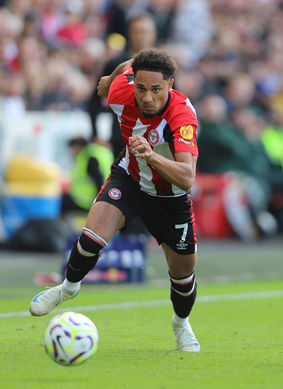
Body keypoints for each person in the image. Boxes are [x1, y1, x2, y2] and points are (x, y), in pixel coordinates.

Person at [29, 48, 201, 352]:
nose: (148, 97)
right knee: (91, 236)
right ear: (133, 83)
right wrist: (113, 75)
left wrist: (151, 155)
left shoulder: (182, 115)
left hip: (170, 197)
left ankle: (180, 324)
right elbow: (119, 76)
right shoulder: (120, 92)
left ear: (170, 87)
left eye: (157, 90)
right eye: (142, 88)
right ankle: (67, 289)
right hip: (131, 179)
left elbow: (187, 177)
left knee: (183, 278)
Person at [87, 12, 157, 156]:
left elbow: (176, 101)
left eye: (144, 32)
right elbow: (95, 100)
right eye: (136, 32)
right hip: (121, 141)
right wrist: (95, 134)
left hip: (154, 140)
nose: (140, 36)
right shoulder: (115, 64)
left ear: (153, 35)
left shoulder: (163, 66)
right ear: (129, 34)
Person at [61, 136, 114, 216]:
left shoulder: (88, 158)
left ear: (78, 146)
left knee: (58, 202)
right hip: (99, 199)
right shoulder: (96, 153)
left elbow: (99, 181)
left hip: (85, 201)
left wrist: (97, 206)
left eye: (73, 149)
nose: (72, 152)